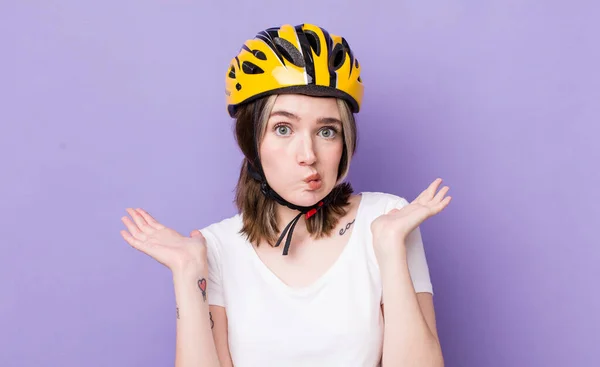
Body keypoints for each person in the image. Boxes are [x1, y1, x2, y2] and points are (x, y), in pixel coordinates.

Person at [120, 23, 451, 367]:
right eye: (283, 129)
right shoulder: (216, 247)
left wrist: (389, 247)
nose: (308, 154)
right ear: (252, 141)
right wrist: (189, 274)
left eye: (327, 131)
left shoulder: (386, 219)